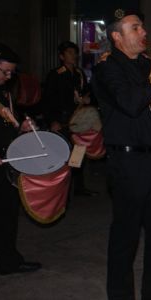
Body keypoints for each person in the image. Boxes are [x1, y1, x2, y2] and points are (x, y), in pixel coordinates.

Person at [91, 9, 151, 300]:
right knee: (125, 237)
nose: (144, 32)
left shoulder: (146, 64)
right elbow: (130, 103)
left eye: (142, 26)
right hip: (127, 162)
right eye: (135, 27)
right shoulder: (107, 69)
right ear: (117, 36)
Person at [0, 43, 42, 275]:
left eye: (12, 72)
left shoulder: (2, 91)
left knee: (7, 214)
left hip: (5, 161)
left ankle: (8, 261)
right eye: (5, 71)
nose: (9, 76)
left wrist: (21, 126)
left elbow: (6, 122)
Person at [43, 40, 97, 196]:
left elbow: (87, 93)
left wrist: (88, 99)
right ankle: (61, 189)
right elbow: (47, 100)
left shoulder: (79, 73)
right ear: (61, 56)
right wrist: (52, 120)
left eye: (75, 53)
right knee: (63, 155)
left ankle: (79, 187)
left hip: (78, 120)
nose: (73, 55)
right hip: (62, 120)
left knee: (78, 152)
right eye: (69, 53)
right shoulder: (56, 74)